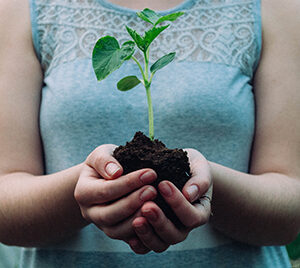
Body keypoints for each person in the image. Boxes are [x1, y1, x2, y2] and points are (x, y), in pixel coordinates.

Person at [0, 0, 299, 267]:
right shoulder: (24, 7)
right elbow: (5, 205)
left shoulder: (272, 6)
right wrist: (86, 192)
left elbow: (290, 211)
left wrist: (210, 185)